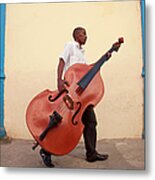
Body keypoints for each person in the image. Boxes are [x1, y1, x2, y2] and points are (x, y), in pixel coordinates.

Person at [40, 27, 109, 167]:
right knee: (60, 124)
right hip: (69, 93)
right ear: (77, 35)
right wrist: (59, 80)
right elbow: (61, 62)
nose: (86, 36)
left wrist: (106, 56)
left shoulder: (82, 55)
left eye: (86, 34)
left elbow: (88, 71)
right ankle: (46, 150)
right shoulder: (70, 46)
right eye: (84, 34)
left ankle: (91, 154)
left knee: (90, 122)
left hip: (81, 98)